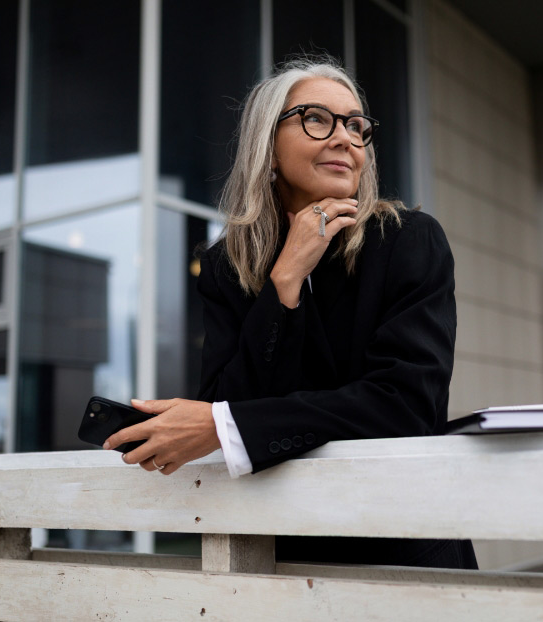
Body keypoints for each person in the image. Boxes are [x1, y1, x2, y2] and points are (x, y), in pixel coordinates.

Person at [104, 58, 477, 569]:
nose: (345, 138)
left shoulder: (408, 240)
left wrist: (225, 424)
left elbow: (404, 407)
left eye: (355, 124)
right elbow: (228, 399)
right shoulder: (224, 266)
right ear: (268, 146)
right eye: (317, 118)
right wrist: (284, 283)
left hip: (401, 546)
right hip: (281, 550)